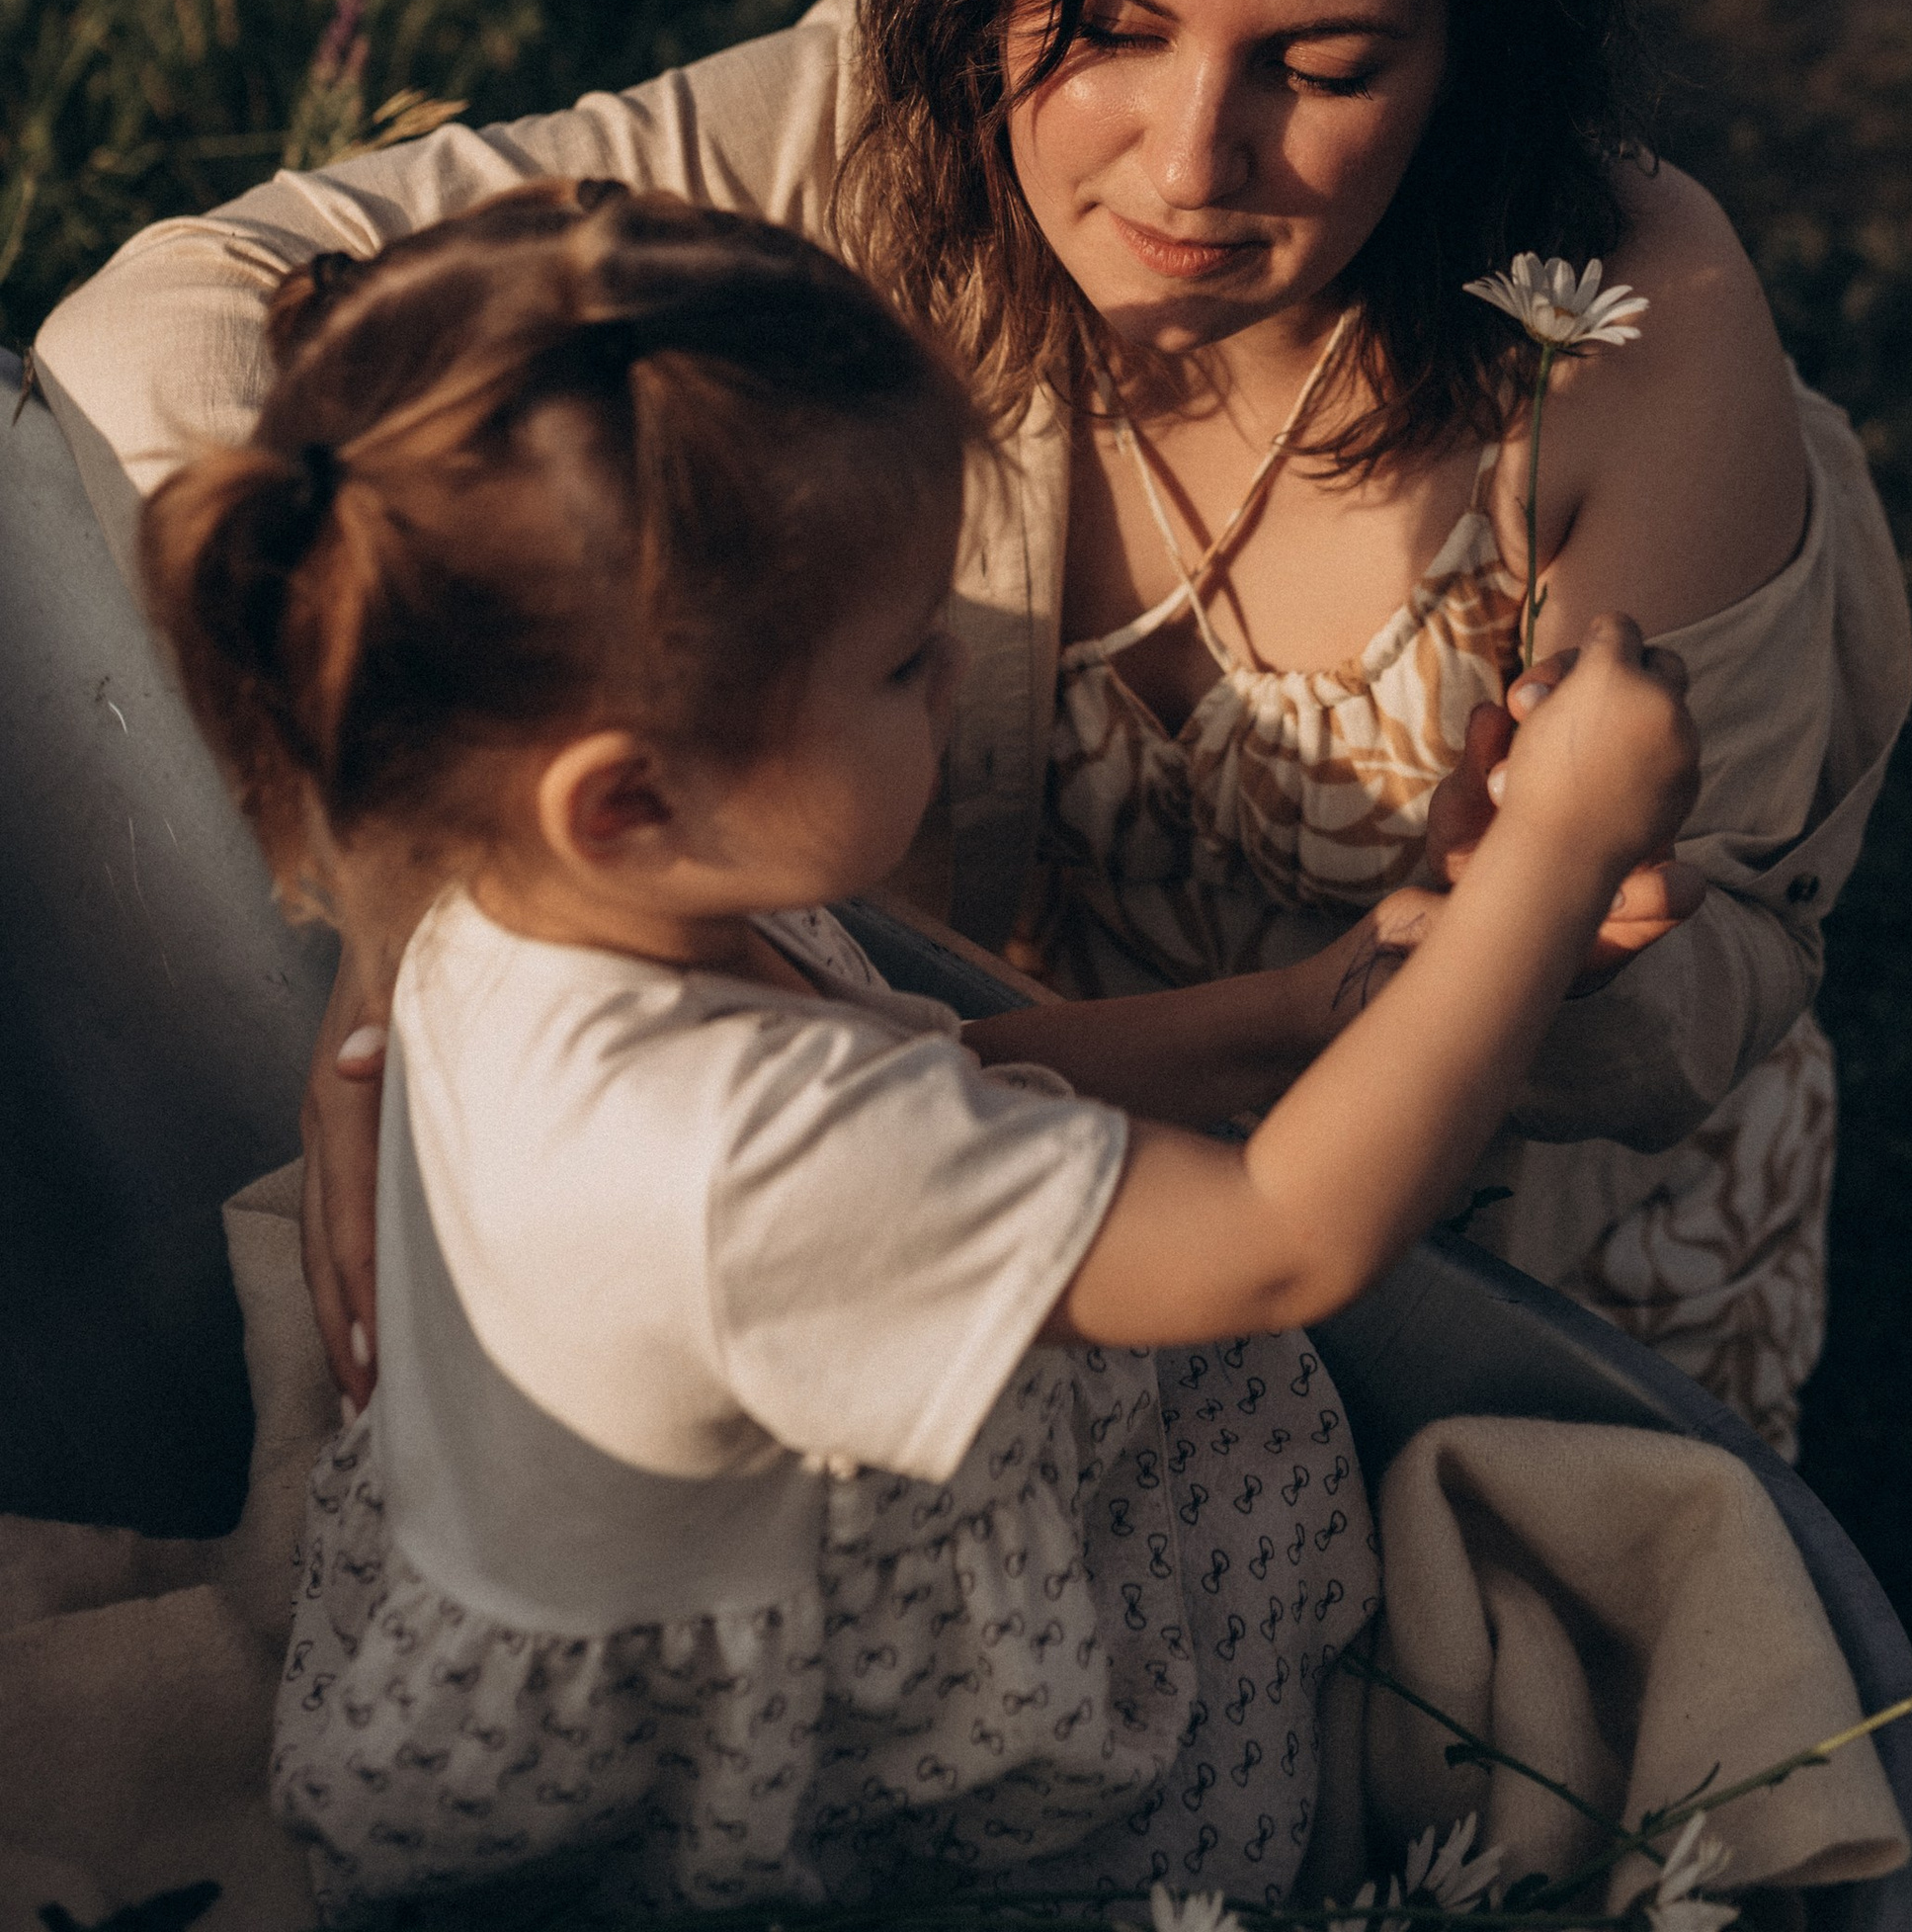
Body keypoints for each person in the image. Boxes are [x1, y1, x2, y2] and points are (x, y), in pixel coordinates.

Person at [35, 0, 1912, 1459]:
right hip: (964, 1165)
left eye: (1324, 69)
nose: (1193, 159)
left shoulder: (1610, 315)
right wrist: (423, 904)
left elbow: (1699, 1011)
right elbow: (168, 316)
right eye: (1107, 26)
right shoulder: (871, 130)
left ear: (1466, 53)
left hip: (1490, 1281)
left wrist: (1562, 896)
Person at [138, 179, 1700, 1918]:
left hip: (632, 1573)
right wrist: (1550, 868)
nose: (957, 671)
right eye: (900, 664)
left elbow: (940, 1064)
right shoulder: (732, 1148)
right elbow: (1283, 1240)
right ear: (632, 795)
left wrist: (1296, 1006)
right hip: (775, 1756)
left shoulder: (519, 906)